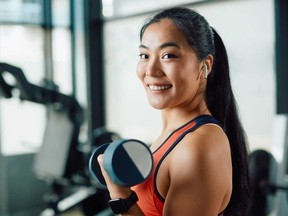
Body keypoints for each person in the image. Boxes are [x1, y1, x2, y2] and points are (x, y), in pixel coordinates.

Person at [97, 7, 250, 216]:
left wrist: (121, 196)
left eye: (168, 55)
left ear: (205, 65)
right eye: (144, 55)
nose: (151, 70)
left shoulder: (200, 144)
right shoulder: (174, 135)